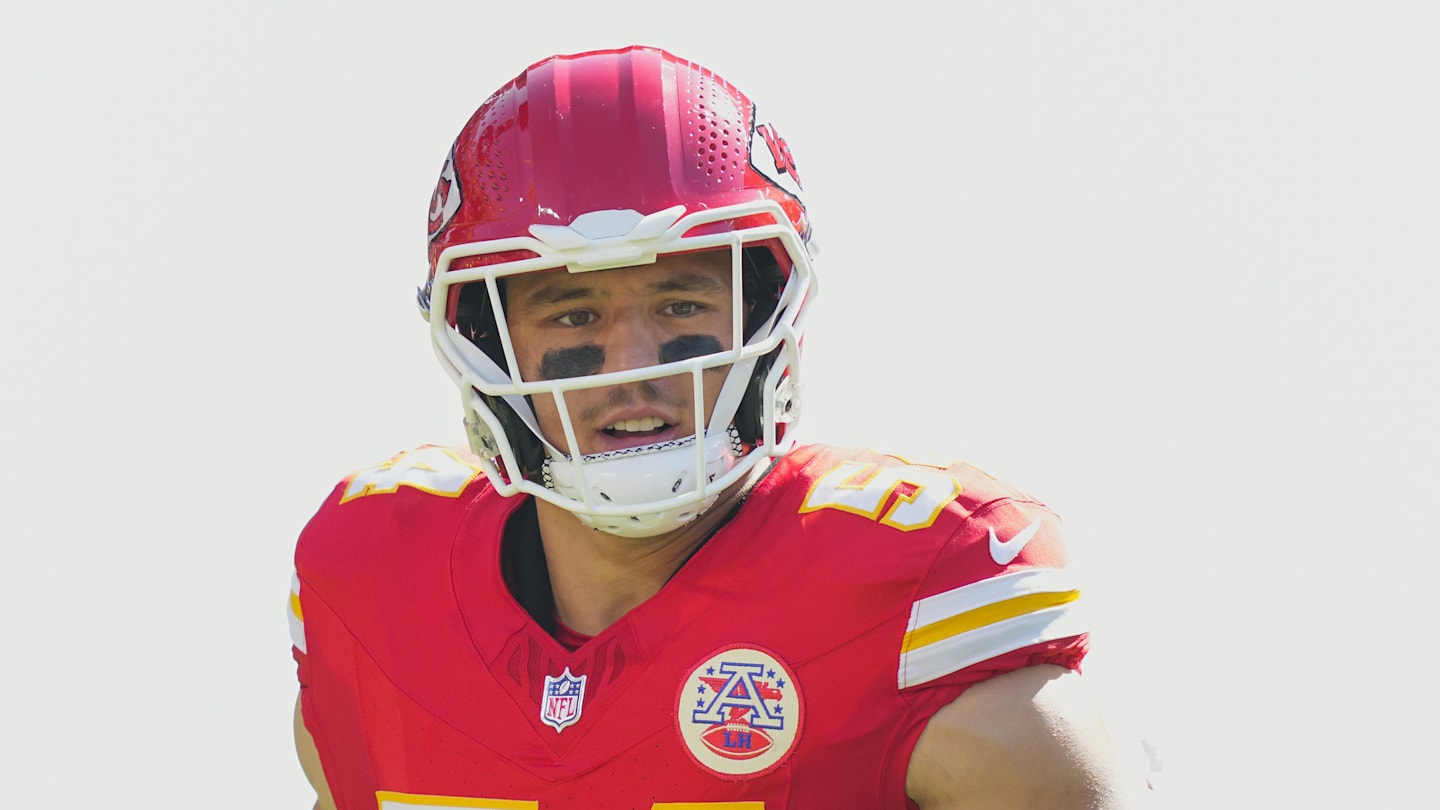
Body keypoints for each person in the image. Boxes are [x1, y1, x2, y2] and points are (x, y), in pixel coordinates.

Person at [289, 45, 1153, 809]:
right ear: (481, 337)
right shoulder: (369, 581)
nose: (639, 360)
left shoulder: (919, 595)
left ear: (766, 312)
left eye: (681, 301)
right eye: (573, 313)